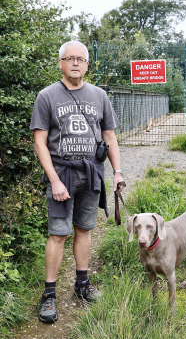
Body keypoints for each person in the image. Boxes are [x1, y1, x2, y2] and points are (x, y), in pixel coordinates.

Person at [30, 40, 124, 323]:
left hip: (92, 173)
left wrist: (117, 171)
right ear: (60, 63)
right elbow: (40, 142)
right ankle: (49, 294)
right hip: (63, 174)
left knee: (84, 229)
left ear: (86, 64)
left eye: (79, 59)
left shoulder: (99, 96)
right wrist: (55, 180)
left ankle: (82, 285)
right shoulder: (47, 96)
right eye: (69, 58)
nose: (74, 63)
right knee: (58, 233)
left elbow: (109, 137)